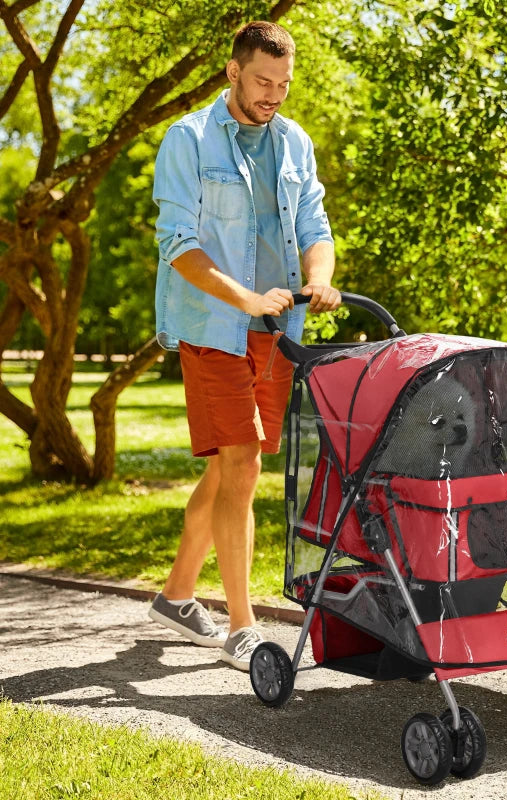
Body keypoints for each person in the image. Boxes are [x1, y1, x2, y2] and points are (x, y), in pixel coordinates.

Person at [148, 20, 340, 671]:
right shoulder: (189, 140)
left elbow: (314, 223)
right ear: (233, 71)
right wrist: (247, 300)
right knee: (244, 467)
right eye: (263, 81)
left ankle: (176, 597)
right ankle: (241, 626)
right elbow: (179, 245)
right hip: (213, 329)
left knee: (231, 465)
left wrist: (319, 280)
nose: (274, 95)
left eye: (284, 85)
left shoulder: (293, 143)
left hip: (275, 334)